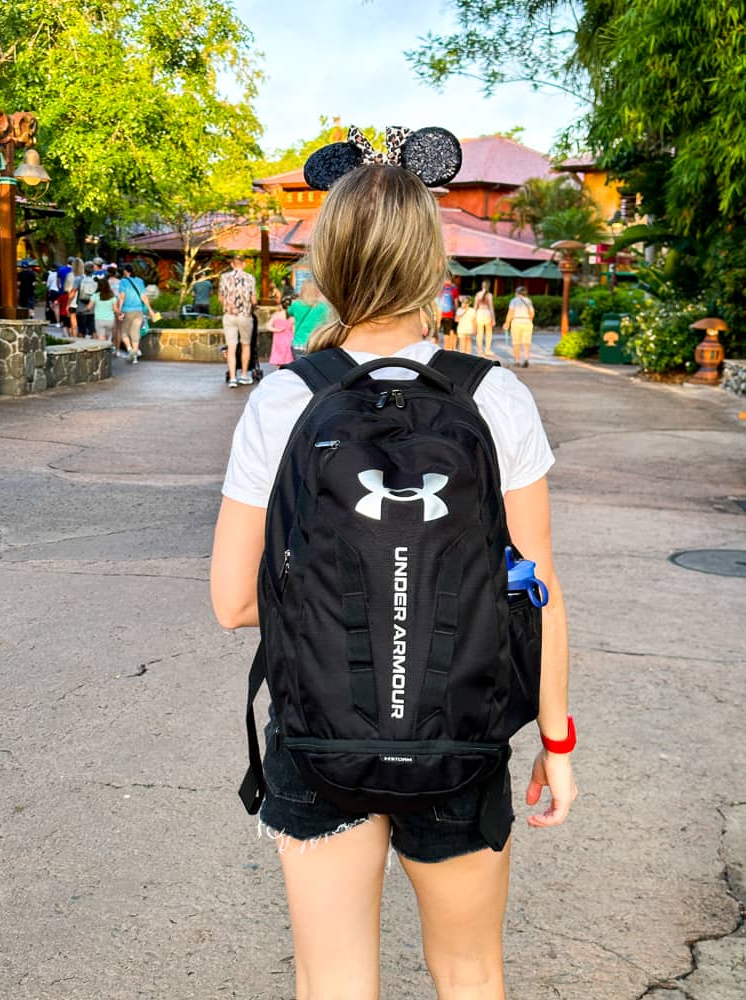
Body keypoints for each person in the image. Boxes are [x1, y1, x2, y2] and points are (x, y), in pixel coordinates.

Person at [211, 157, 576, 1000]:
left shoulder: (283, 400)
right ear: (433, 262)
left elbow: (234, 603)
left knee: (334, 980)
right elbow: (536, 590)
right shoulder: (496, 397)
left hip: (318, 736)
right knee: (471, 972)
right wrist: (555, 743)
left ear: (327, 263)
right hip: (462, 733)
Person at [218, 254, 257, 387]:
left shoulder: (224, 277)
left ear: (232, 264)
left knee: (231, 347)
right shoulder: (250, 278)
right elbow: (253, 300)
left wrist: (228, 306)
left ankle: (233, 378)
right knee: (246, 345)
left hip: (229, 316)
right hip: (245, 316)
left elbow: (221, 297)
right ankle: (244, 375)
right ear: (244, 264)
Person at [116, 263, 153, 364]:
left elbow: (122, 296)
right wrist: (150, 310)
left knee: (124, 333)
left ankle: (130, 350)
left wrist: (119, 309)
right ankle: (135, 357)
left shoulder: (123, 281)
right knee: (135, 332)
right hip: (139, 311)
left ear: (126, 271)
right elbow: (144, 297)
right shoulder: (140, 281)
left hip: (127, 310)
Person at [287, 279, 329, 359]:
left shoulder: (296, 304)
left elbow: (289, 312)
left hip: (298, 344)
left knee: (299, 370)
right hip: (315, 344)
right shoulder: (323, 307)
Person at [503, 285, 536, 368]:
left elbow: (510, 313)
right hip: (527, 321)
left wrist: (507, 323)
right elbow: (532, 314)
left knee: (516, 343)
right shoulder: (528, 301)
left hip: (516, 321)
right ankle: (526, 359)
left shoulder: (514, 301)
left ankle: (517, 361)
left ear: (517, 293)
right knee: (526, 342)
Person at [87, 277, 119, 343]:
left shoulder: (95, 295)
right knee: (107, 339)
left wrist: (82, 311)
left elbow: (89, 307)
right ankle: (108, 351)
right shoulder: (112, 296)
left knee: (101, 339)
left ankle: (104, 352)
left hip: (99, 320)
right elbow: (115, 309)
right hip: (110, 320)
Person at [266, 295, 295, 367]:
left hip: (278, 342)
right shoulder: (292, 317)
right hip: (289, 342)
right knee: (289, 361)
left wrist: (276, 330)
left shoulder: (276, 315)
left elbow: (268, 326)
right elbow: (294, 330)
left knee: (279, 361)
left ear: (281, 305)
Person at [474, 279, 496, 356]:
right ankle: (487, 350)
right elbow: (491, 307)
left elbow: (475, 306)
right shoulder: (489, 295)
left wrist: (474, 316)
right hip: (487, 313)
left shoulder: (478, 294)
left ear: (482, 286)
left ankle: (480, 351)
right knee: (488, 333)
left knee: (479, 333)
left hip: (479, 313)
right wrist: (493, 319)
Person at [76, 261, 98, 338]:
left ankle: (81, 347)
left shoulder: (79, 279)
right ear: (93, 270)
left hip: (81, 308)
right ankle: (96, 348)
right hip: (93, 308)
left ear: (84, 269)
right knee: (94, 331)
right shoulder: (96, 280)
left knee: (81, 330)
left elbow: (74, 291)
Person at [437, 276, 458, 348]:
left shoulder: (440, 289)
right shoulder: (454, 289)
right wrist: (456, 313)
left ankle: (446, 348)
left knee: (445, 333)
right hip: (450, 314)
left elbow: (438, 302)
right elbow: (456, 303)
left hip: (440, 314)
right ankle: (449, 349)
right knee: (450, 332)